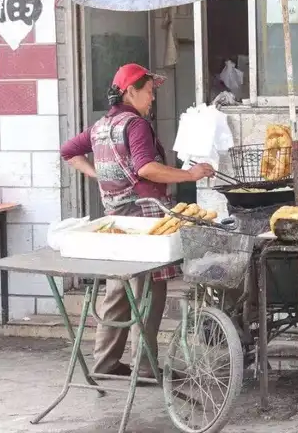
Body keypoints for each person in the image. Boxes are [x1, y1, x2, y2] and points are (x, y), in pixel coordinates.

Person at [60, 63, 215, 379]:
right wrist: (189, 174)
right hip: (145, 224)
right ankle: (144, 367)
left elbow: (68, 152)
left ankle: (106, 363)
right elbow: (146, 168)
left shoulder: (102, 126)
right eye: (149, 91)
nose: (152, 98)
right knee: (148, 294)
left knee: (117, 293)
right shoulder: (135, 125)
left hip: (116, 222)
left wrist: (100, 175)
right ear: (130, 90)